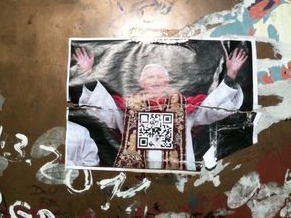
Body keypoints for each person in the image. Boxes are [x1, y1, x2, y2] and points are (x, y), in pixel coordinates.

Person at [72, 47, 248, 171]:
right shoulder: (127, 107)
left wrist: (231, 74)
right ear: (142, 82)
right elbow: (102, 106)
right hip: (136, 175)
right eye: (150, 77)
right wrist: (88, 73)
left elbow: (213, 109)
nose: (155, 80)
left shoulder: (185, 106)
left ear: (167, 82)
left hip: (177, 174)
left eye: (159, 77)